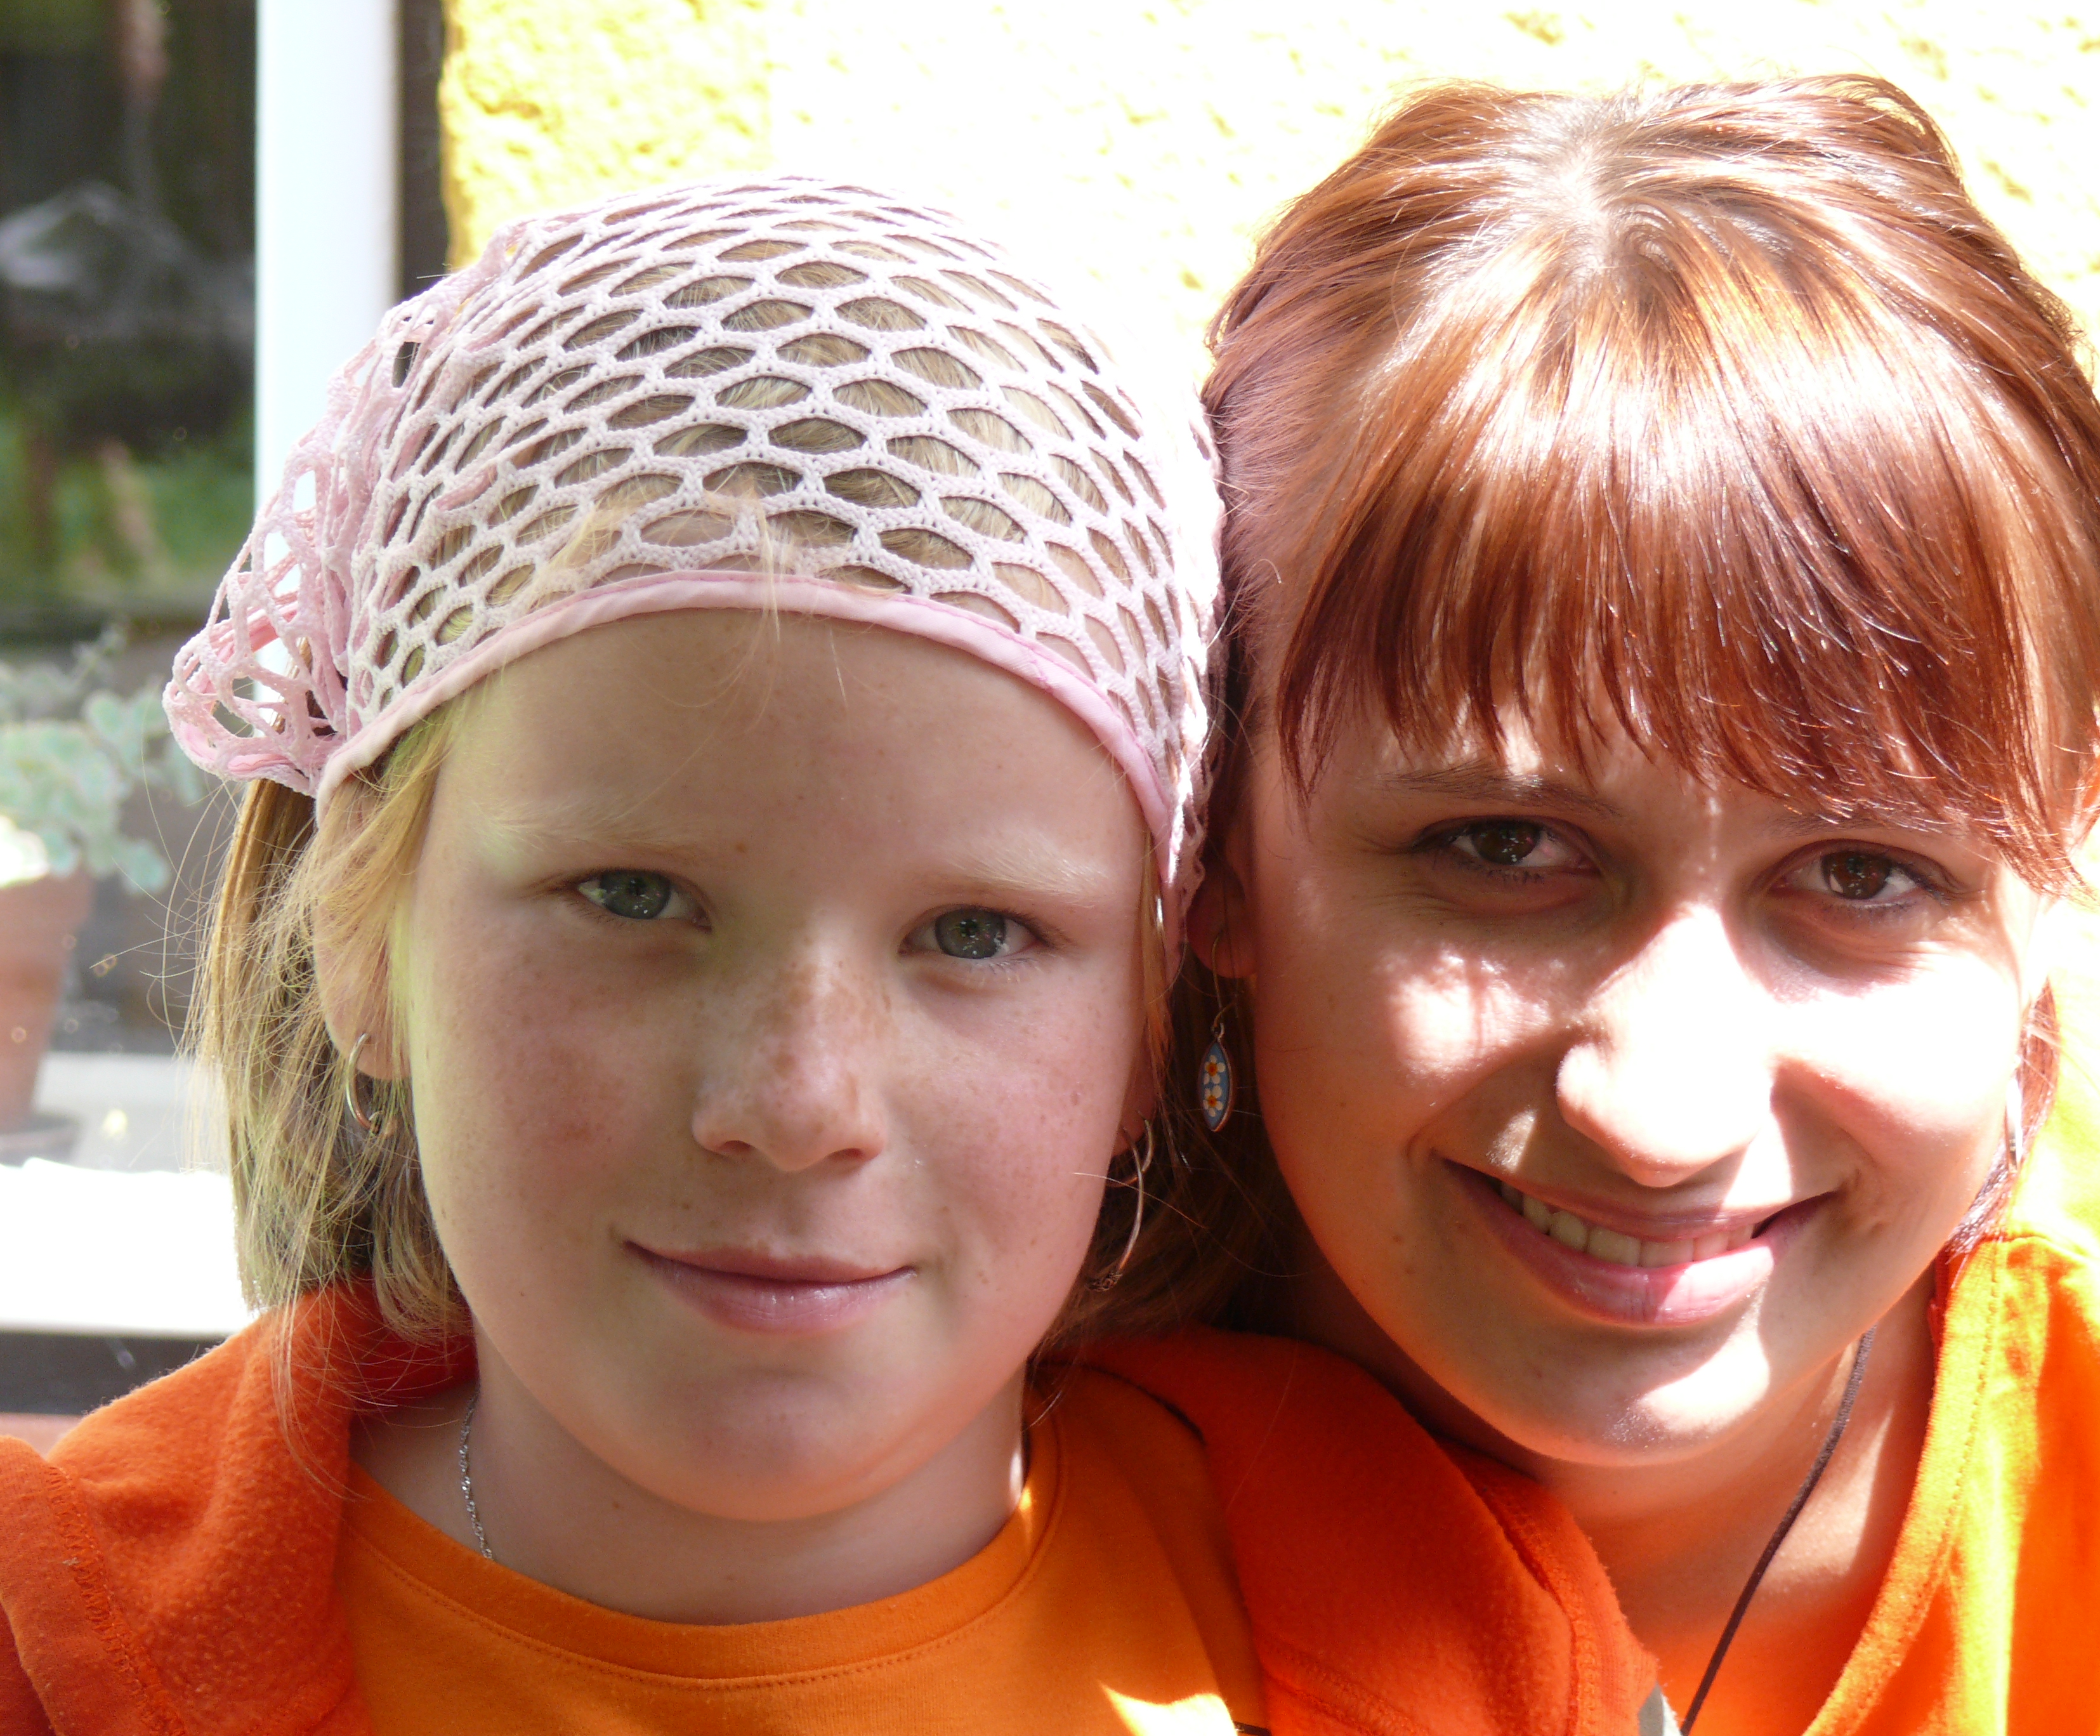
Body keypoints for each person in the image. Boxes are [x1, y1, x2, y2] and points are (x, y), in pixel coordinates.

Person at [0, 178, 1661, 1735]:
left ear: (1153, 1015)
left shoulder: (1468, 1642)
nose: (796, 1106)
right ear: (362, 936)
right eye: (632, 897)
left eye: (975, 934)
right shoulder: (57, 1652)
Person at [1182, 76, 2100, 1734]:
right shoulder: (919, 1333)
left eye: (1862, 874)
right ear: (1215, 834)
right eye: (1502, 848)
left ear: (2051, 866)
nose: (1661, 1121)